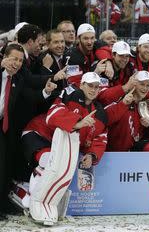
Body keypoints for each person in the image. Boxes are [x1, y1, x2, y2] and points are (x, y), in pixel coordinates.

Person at [17, 72, 110, 225]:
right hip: (37, 133)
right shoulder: (69, 95)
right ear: (82, 85)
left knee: (59, 166)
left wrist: (92, 155)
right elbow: (52, 116)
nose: (94, 90)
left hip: (59, 145)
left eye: (96, 87)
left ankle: (38, 197)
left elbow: (101, 137)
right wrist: (77, 122)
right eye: (90, 86)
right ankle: (36, 200)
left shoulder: (99, 112)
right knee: (48, 160)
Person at [0, 44, 56, 220]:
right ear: (4, 57)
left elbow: (31, 95)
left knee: (4, 167)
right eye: (13, 59)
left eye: (20, 60)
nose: (16, 63)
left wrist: (46, 91)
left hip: (4, 127)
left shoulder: (18, 78)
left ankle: (2, 204)